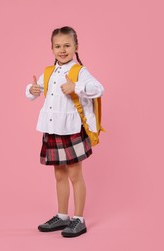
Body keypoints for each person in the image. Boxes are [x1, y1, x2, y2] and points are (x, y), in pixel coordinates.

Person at [25, 26, 104, 238]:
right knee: (59, 175)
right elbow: (35, 90)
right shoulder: (49, 72)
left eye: (67, 45)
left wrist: (76, 87)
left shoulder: (79, 71)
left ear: (76, 47)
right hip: (52, 129)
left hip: (71, 130)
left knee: (75, 175)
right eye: (58, 46)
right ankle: (62, 216)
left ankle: (78, 219)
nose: (62, 50)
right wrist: (31, 90)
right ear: (51, 49)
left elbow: (99, 89)